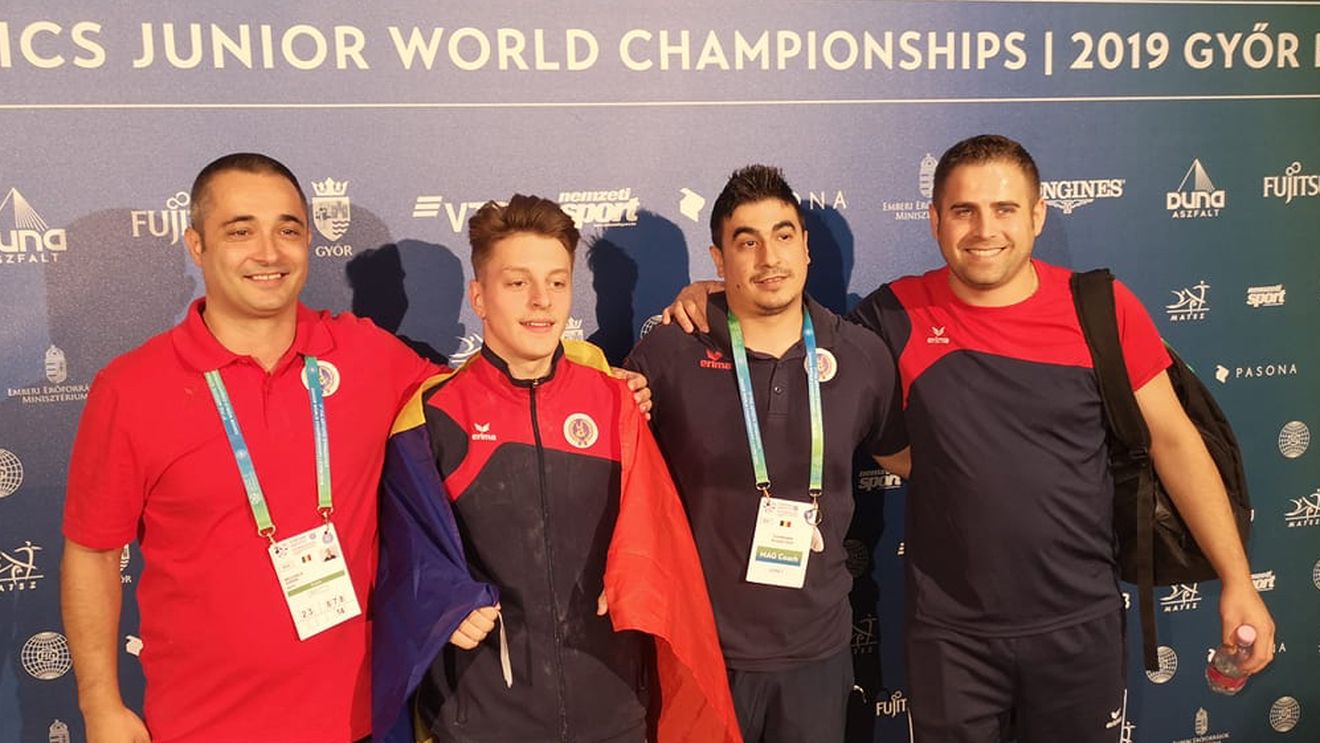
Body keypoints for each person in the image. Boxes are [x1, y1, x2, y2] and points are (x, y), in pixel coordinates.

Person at [664, 136, 1274, 743]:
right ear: (935, 221)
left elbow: (1174, 443)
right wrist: (713, 296)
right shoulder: (892, 315)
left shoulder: (1100, 307)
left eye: (1005, 209)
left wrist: (1239, 581)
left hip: (1079, 627)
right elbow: (783, 320)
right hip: (949, 638)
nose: (985, 229)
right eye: (964, 211)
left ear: (1037, 215)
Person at [59, 154, 653, 743]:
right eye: (241, 231)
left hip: (366, 717)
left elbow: (487, 387)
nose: (268, 252)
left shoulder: (363, 356)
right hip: (203, 723)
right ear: (196, 244)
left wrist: (598, 371)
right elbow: (91, 554)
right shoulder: (132, 389)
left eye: (287, 230)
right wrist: (100, 703)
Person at [371, 196, 741, 743]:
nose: (542, 301)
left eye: (557, 282)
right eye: (517, 283)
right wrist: (446, 603)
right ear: (479, 296)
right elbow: (404, 559)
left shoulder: (616, 401)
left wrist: (638, 570)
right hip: (483, 720)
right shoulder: (430, 418)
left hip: (613, 710)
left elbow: (661, 535)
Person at [625, 166, 905, 743]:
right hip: (698, 648)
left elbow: (906, 460)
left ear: (805, 246)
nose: (768, 257)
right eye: (746, 241)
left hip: (816, 655)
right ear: (719, 260)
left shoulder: (860, 356)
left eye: (782, 235)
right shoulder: (671, 350)